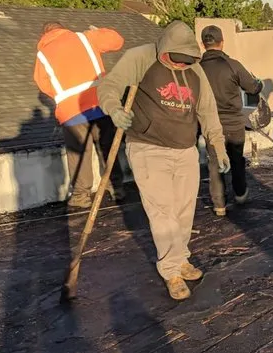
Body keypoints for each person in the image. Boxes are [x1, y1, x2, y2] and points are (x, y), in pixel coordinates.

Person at [97, 21, 229, 302]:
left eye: (186, 62)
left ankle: (180, 258)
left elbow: (207, 111)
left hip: (185, 149)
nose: (181, 66)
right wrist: (114, 109)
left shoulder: (195, 69)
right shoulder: (141, 58)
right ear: (164, 50)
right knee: (162, 211)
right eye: (176, 61)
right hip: (148, 147)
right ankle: (170, 270)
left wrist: (218, 146)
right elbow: (109, 86)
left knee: (183, 209)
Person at [33, 22, 126, 208]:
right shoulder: (84, 38)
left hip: (71, 110)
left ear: (45, 35)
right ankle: (115, 187)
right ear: (63, 28)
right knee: (107, 146)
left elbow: (42, 84)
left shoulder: (43, 54)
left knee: (79, 152)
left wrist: (64, 96)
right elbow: (117, 41)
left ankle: (81, 196)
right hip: (99, 102)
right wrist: (98, 31)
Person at [198, 25, 263, 215]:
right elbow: (252, 88)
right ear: (222, 42)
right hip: (234, 123)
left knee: (215, 162)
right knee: (236, 160)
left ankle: (219, 205)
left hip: (209, 124)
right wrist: (258, 84)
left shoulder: (197, 69)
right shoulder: (232, 65)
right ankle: (240, 194)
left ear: (203, 44)